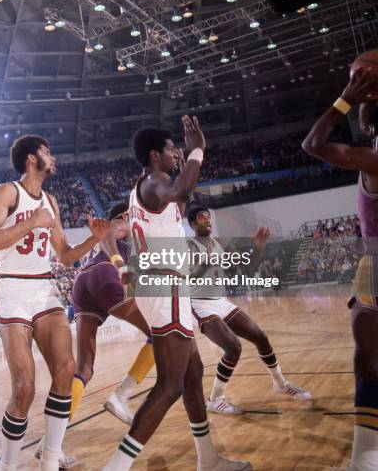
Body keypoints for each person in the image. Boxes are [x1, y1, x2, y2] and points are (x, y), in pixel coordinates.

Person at [103, 119, 250, 471]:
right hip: (164, 285)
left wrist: (185, 165)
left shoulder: (148, 186)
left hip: (165, 286)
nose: (176, 153)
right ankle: (116, 467)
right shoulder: (156, 181)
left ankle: (208, 458)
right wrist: (199, 148)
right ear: (155, 155)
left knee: (192, 373)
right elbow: (179, 193)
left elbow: (178, 203)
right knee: (169, 385)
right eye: (171, 149)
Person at [0, 134, 109, 471]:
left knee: (66, 370)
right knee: (25, 388)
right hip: (13, 289)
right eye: (47, 152)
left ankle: (50, 460)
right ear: (31, 159)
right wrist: (30, 223)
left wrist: (95, 238)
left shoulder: (51, 200)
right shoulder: (8, 191)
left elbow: (64, 256)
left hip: (44, 288)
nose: (53, 157)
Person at [302, 56, 378, 471]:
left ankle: (365, 459)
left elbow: (312, 144)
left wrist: (345, 100)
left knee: (367, 360)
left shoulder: (371, 159)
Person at [186, 206, 311, 414]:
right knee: (233, 347)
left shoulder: (222, 244)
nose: (207, 220)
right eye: (201, 218)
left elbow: (248, 270)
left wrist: (260, 247)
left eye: (208, 217)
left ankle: (280, 383)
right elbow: (191, 278)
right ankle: (215, 399)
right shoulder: (189, 246)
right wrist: (206, 263)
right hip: (199, 303)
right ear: (192, 224)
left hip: (220, 301)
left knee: (260, 337)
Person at [68, 201, 155, 425]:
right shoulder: (121, 223)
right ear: (126, 214)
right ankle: (121, 396)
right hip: (104, 273)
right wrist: (119, 264)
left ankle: (54, 437)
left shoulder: (127, 241)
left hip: (82, 282)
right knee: (160, 332)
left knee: (84, 367)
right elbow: (108, 232)